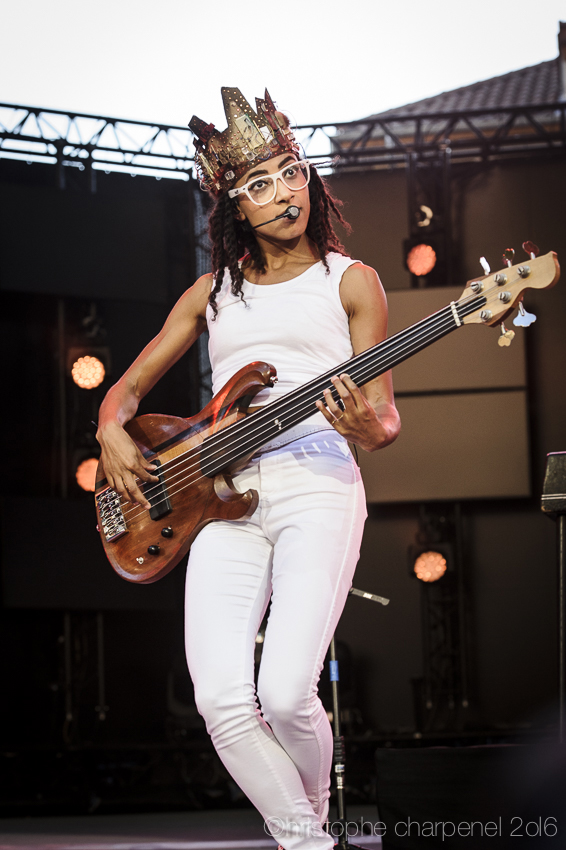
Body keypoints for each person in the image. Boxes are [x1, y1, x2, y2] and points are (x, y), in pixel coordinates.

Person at [96, 88, 400, 850]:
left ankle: (308, 839)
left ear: (309, 177)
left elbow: (385, 418)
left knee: (287, 691)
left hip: (316, 484)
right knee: (223, 699)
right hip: (220, 495)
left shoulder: (351, 281)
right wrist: (109, 423)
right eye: (259, 184)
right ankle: (310, 843)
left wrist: (373, 427)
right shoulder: (211, 294)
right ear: (233, 204)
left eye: (290, 172)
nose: (283, 193)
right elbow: (125, 392)